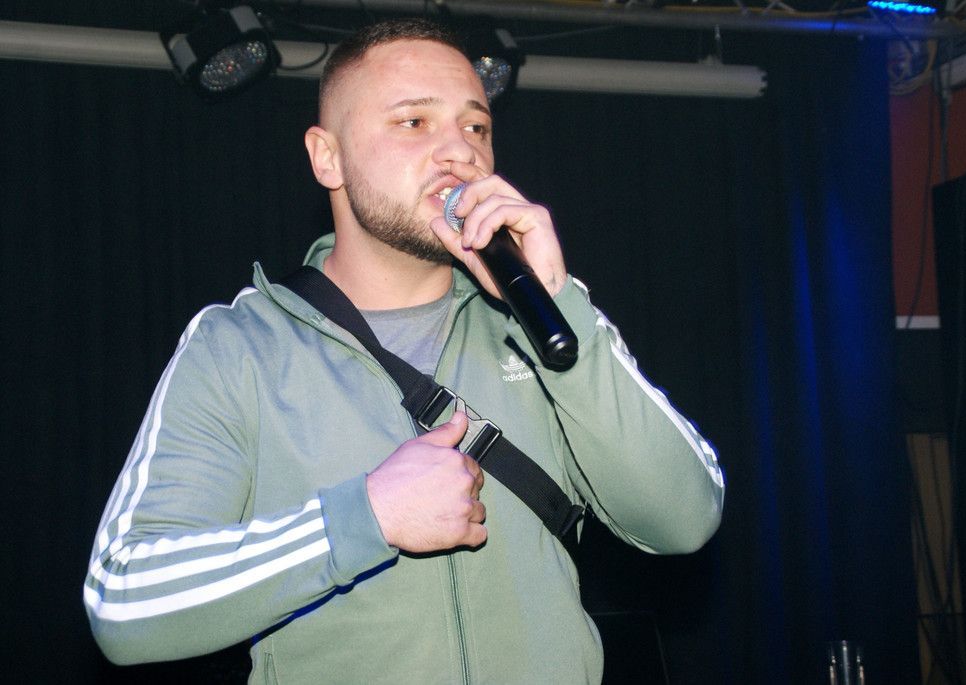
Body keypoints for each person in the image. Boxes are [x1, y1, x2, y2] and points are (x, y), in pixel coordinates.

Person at [84, 18, 724, 684]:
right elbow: (124, 601)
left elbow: (686, 518)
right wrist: (365, 519)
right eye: (414, 122)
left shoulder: (545, 320)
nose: (460, 152)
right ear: (327, 157)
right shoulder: (239, 347)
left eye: (476, 127)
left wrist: (561, 307)